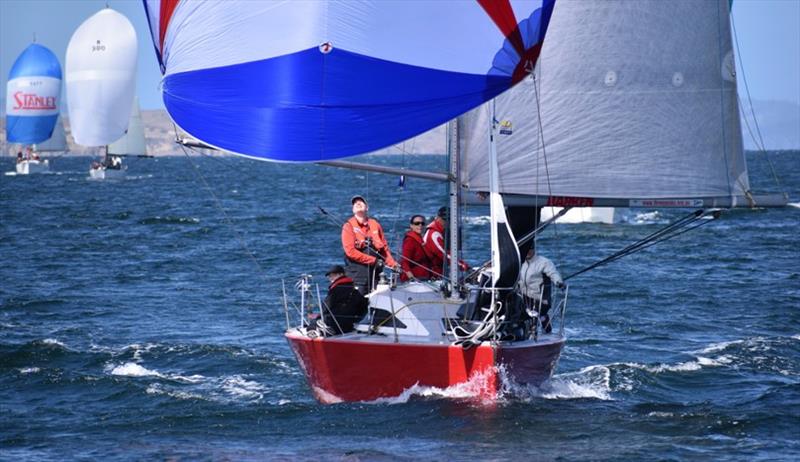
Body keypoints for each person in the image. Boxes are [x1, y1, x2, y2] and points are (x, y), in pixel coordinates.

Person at [341, 195, 399, 294]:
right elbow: (350, 252)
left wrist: (394, 265)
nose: (358, 203)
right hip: (357, 276)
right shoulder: (348, 226)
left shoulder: (375, 225)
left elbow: (384, 249)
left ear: (367, 207)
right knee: (359, 303)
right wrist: (373, 261)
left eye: (361, 202)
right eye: (355, 203)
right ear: (352, 209)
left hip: (377, 275)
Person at [518, 247, 565, 333]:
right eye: (526, 249)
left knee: (539, 316)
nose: (528, 251)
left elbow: (553, 273)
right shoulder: (520, 262)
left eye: (530, 249)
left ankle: (546, 330)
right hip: (524, 297)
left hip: (540, 298)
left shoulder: (544, 262)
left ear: (534, 249)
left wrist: (559, 282)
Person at [315, 265, 368, 335]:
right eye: (330, 276)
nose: (331, 278)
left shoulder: (336, 289)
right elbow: (363, 305)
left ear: (341, 274)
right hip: (349, 322)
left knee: (314, 322)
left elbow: (326, 306)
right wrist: (356, 319)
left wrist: (318, 316)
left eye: (334, 275)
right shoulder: (353, 289)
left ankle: (319, 331)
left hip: (336, 321)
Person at [422, 206, 469, 278]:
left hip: (439, 273)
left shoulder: (439, 231)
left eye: (449, 219)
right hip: (432, 275)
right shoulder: (433, 234)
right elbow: (443, 254)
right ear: (438, 218)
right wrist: (463, 265)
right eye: (445, 219)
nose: (446, 222)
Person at [399, 214, 432, 282]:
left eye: (422, 223)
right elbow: (405, 261)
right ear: (411, 226)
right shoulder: (410, 240)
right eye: (417, 223)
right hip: (416, 280)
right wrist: (411, 278)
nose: (420, 225)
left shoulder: (420, 239)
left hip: (424, 278)